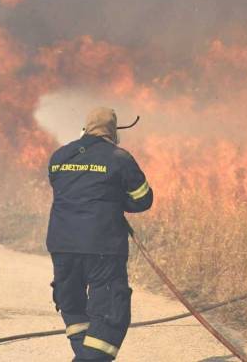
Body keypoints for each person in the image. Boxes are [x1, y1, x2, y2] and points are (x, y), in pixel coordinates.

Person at [46, 107, 153, 361]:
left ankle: (84, 355)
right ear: (113, 133)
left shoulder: (60, 155)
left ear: (85, 129)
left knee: (72, 303)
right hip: (102, 245)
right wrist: (116, 201)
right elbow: (143, 198)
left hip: (63, 244)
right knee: (110, 310)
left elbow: (63, 188)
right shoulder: (119, 157)